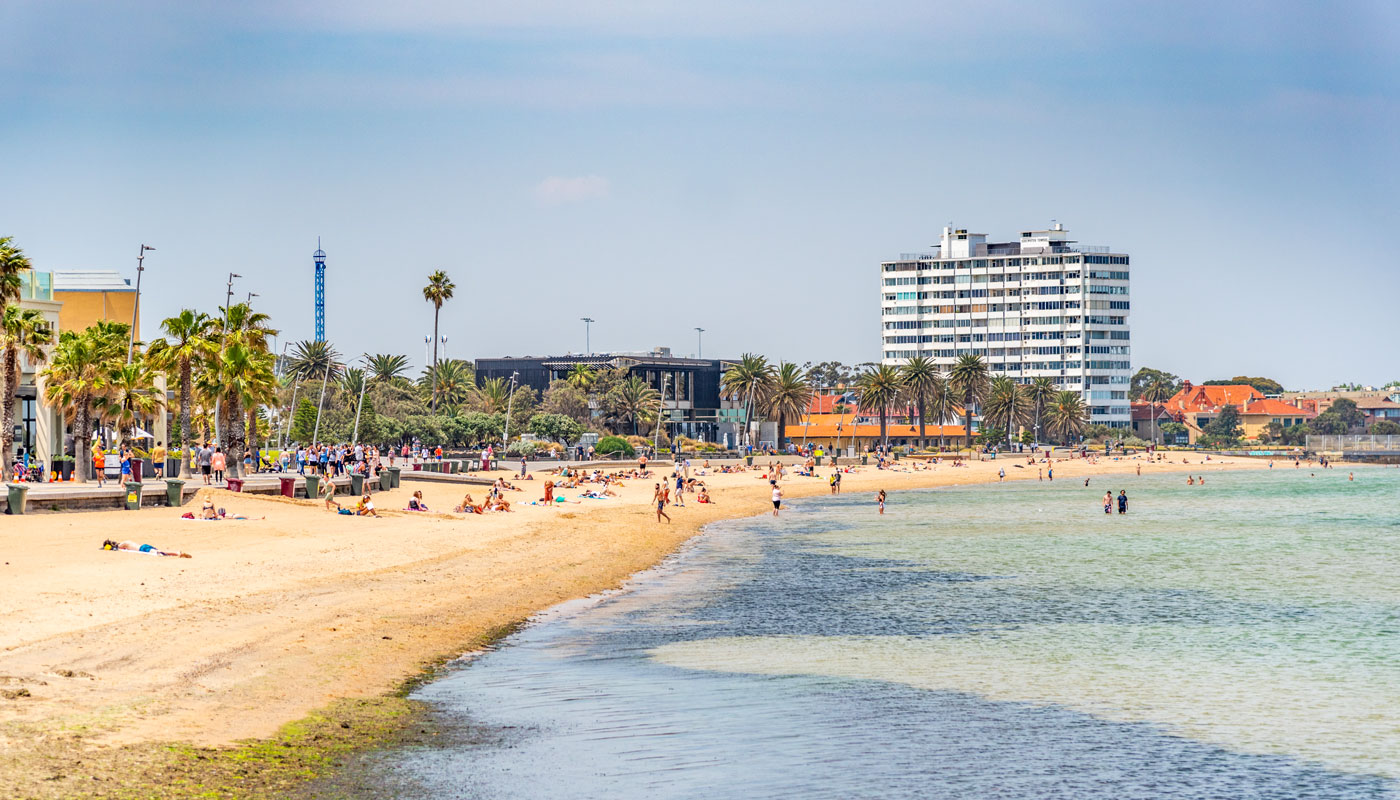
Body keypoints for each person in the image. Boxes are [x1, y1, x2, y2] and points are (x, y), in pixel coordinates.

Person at [102, 539, 191, 558]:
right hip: (143, 547)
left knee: (159, 552)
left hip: (142, 549)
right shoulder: (125, 542)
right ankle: (176, 553)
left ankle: (177, 553)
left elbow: (117, 548)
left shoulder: (123, 544)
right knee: (159, 552)